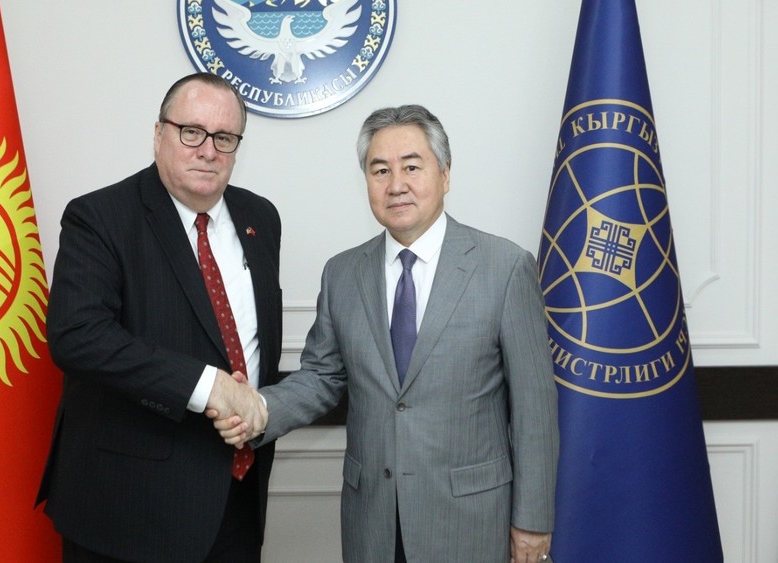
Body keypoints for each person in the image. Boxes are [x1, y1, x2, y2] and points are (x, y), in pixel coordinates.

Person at [214, 105, 558, 562]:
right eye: (380, 170)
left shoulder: (505, 268)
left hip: (471, 522)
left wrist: (532, 522)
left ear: (445, 174)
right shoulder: (342, 273)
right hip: (373, 521)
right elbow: (321, 377)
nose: (396, 184)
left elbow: (535, 410)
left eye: (412, 167)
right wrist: (257, 408)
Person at [37, 72, 281, 563]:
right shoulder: (99, 217)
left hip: (237, 501)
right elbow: (77, 336)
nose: (208, 150)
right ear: (159, 134)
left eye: (224, 138)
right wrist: (209, 386)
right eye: (191, 132)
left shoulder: (262, 217)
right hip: (129, 511)